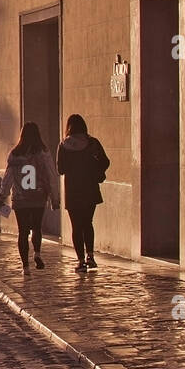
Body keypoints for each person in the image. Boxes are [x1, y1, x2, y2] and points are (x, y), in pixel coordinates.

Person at [0, 121, 60, 273]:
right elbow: (51, 175)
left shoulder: (15, 154)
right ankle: (37, 253)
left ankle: (25, 266)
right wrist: (54, 197)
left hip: (20, 198)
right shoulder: (43, 153)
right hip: (38, 196)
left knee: (23, 232)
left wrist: (1, 197)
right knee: (37, 227)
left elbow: (7, 178)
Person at [57, 114, 110, 273]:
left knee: (76, 226)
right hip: (90, 188)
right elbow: (105, 161)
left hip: (73, 190)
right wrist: (96, 170)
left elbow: (61, 169)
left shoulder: (63, 145)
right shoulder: (92, 143)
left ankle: (80, 261)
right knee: (88, 223)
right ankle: (91, 256)